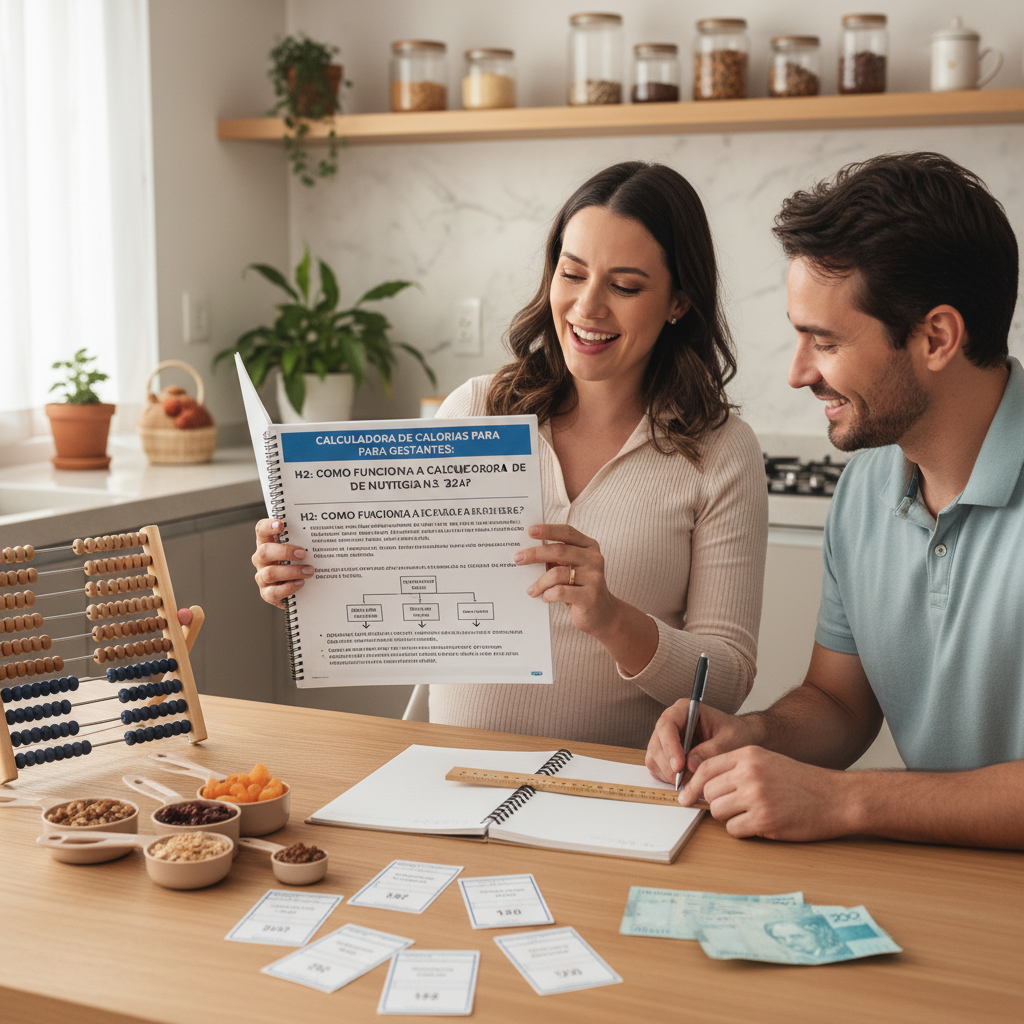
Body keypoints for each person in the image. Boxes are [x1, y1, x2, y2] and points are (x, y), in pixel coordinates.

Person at [253, 161, 768, 748]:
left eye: (624, 286)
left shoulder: (721, 451)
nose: (588, 307)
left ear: (679, 302)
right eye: (572, 274)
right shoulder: (479, 409)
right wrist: (307, 571)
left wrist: (611, 618)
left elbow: (726, 681)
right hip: (454, 769)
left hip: (625, 789)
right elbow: (395, 584)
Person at [647, 152, 1024, 849]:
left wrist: (845, 801)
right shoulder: (866, 487)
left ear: (936, 337)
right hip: (946, 883)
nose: (797, 373)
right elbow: (840, 703)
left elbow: (846, 792)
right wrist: (750, 734)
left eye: (824, 340)